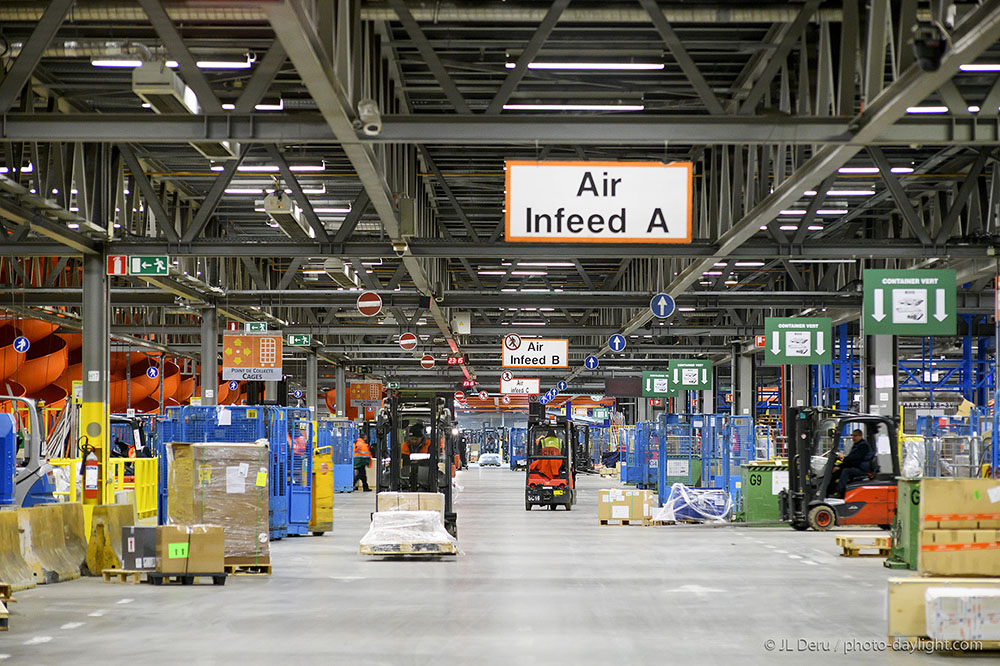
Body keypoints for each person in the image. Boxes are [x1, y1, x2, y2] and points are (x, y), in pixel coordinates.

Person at [834, 429, 875, 496]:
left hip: (863, 469)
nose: (853, 438)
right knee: (838, 471)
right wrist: (839, 466)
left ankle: (839, 492)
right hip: (859, 466)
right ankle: (831, 490)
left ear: (860, 436)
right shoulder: (857, 445)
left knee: (846, 471)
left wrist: (842, 459)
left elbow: (855, 460)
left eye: (855, 436)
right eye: (852, 436)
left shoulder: (863, 446)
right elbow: (851, 460)